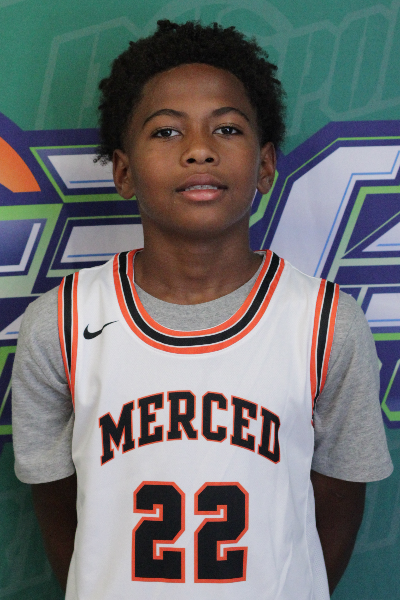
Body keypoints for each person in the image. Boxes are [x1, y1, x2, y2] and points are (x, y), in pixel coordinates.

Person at [12, 19, 392, 600]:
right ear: (123, 171)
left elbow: (336, 509)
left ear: (265, 166)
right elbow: (60, 512)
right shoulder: (59, 323)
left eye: (228, 128)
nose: (199, 149)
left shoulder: (323, 323)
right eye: (166, 131)